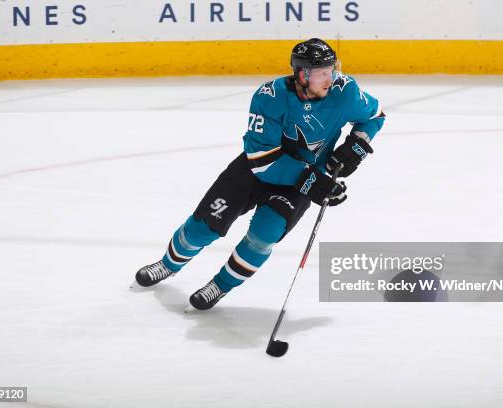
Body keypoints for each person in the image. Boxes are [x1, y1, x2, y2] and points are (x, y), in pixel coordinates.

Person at [132, 38, 386, 310]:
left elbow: (375, 115)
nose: (329, 78)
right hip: (255, 172)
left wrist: (356, 146)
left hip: (300, 182)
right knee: (202, 227)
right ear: (302, 74)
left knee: (264, 234)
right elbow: (262, 159)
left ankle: (220, 286)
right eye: (321, 73)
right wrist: (313, 181)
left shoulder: (345, 91)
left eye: (331, 70)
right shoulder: (270, 96)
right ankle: (168, 265)